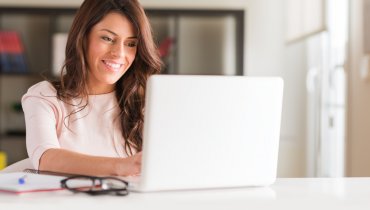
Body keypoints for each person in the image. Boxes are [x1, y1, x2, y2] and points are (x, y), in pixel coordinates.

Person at [21, 0, 162, 176]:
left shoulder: (147, 101)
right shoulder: (45, 96)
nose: (119, 53)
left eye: (131, 44)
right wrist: (121, 166)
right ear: (83, 37)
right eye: (108, 38)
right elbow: (45, 159)